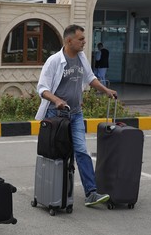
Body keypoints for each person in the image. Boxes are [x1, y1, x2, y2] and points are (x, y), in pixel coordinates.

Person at [36, 24, 116, 207]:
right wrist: (56, 100)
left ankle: (91, 193)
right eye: (81, 39)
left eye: (84, 39)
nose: (84, 42)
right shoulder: (54, 61)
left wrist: (106, 90)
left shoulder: (81, 57)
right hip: (56, 115)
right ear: (69, 40)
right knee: (56, 155)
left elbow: (90, 78)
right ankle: (52, 191)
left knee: (81, 150)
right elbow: (42, 88)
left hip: (76, 114)